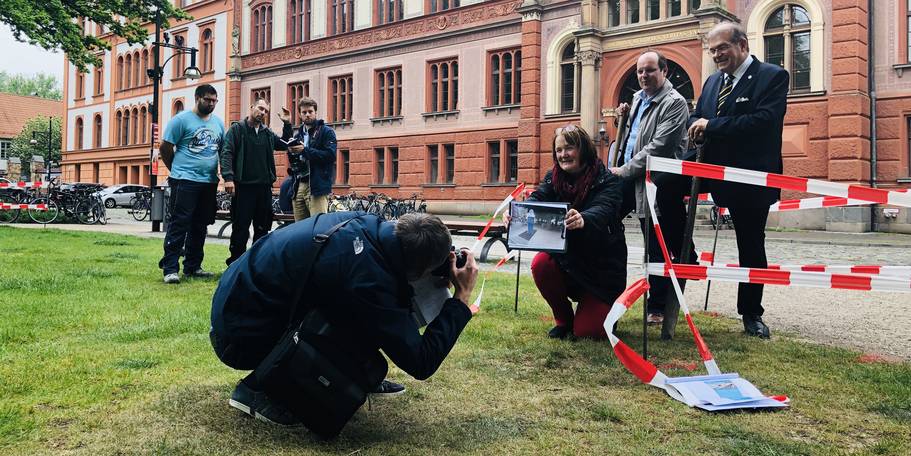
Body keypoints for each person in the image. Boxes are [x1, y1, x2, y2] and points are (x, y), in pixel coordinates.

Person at [210, 212, 479, 427]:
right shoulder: (367, 276)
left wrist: (434, 266)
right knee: (364, 312)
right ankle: (256, 389)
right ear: (419, 268)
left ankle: (356, 374)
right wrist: (461, 298)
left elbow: (383, 282)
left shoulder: (367, 228)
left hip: (239, 306)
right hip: (239, 338)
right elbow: (421, 361)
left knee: (355, 308)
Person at [687, 22, 789, 339]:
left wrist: (711, 125)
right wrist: (697, 124)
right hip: (711, 170)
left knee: (750, 246)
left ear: (742, 45)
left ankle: (751, 315)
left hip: (751, 178)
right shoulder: (713, 81)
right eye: (712, 49)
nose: (717, 55)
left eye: (722, 48)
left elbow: (762, 121)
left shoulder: (772, 76)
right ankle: (683, 257)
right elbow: (697, 115)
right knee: (663, 184)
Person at [509, 125, 626, 339]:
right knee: (541, 263)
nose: (563, 155)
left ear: (583, 149)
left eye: (569, 148)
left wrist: (584, 218)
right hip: (568, 262)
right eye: (559, 150)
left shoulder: (608, 179)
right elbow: (538, 198)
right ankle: (563, 319)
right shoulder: (552, 177)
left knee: (588, 333)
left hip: (602, 270)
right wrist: (518, 214)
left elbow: (605, 209)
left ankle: (605, 313)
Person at [610, 50, 695, 328]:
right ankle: (604, 294)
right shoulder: (637, 99)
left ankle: (657, 307)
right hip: (627, 178)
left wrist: (622, 170)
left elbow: (658, 148)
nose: (644, 76)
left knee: (655, 247)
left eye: (649, 70)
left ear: (664, 71)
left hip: (654, 181)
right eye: (639, 72)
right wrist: (620, 118)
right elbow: (634, 135)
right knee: (604, 224)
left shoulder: (675, 103)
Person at [158, 84, 225, 284]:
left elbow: (222, 151)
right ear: (197, 98)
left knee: (200, 224)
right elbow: (165, 148)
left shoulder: (218, 124)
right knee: (180, 224)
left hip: (209, 181)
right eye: (207, 100)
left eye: (214, 100)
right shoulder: (180, 120)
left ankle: (193, 266)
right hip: (185, 180)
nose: (211, 104)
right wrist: (176, 171)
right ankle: (170, 268)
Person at [219, 98, 294, 265]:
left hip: (263, 188)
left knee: (263, 228)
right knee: (240, 228)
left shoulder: (267, 133)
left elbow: (284, 144)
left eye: (266, 111)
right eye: (260, 108)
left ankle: (256, 263)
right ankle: (236, 263)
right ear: (251, 107)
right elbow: (227, 153)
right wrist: (228, 178)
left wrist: (287, 124)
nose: (263, 113)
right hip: (243, 187)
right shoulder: (237, 129)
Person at [288, 97, 337, 221]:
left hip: (317, 185)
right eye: (304, 112)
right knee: (300, 229)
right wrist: (292, 152)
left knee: (318, 226)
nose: (307, 115)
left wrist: (304, 150)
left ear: (315, 112)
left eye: (310, 111)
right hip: (299, 184)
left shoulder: (326, 132)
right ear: (300, 114)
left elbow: (330, 156)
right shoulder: (298, 135)